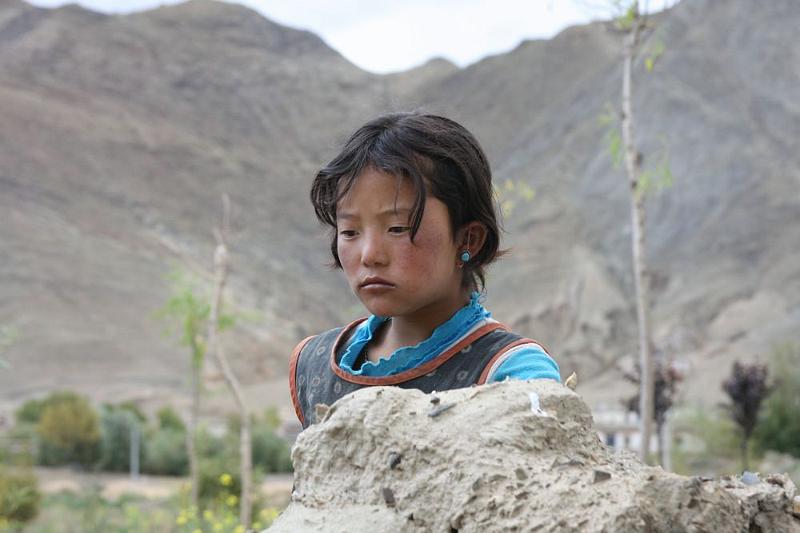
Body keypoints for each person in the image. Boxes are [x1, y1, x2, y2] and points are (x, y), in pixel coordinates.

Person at [289, 112, 560, 429]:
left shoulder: (515, 376)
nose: (370, 255)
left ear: (466, 237)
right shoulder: (314, 364)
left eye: (398, 228)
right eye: (349, 232)